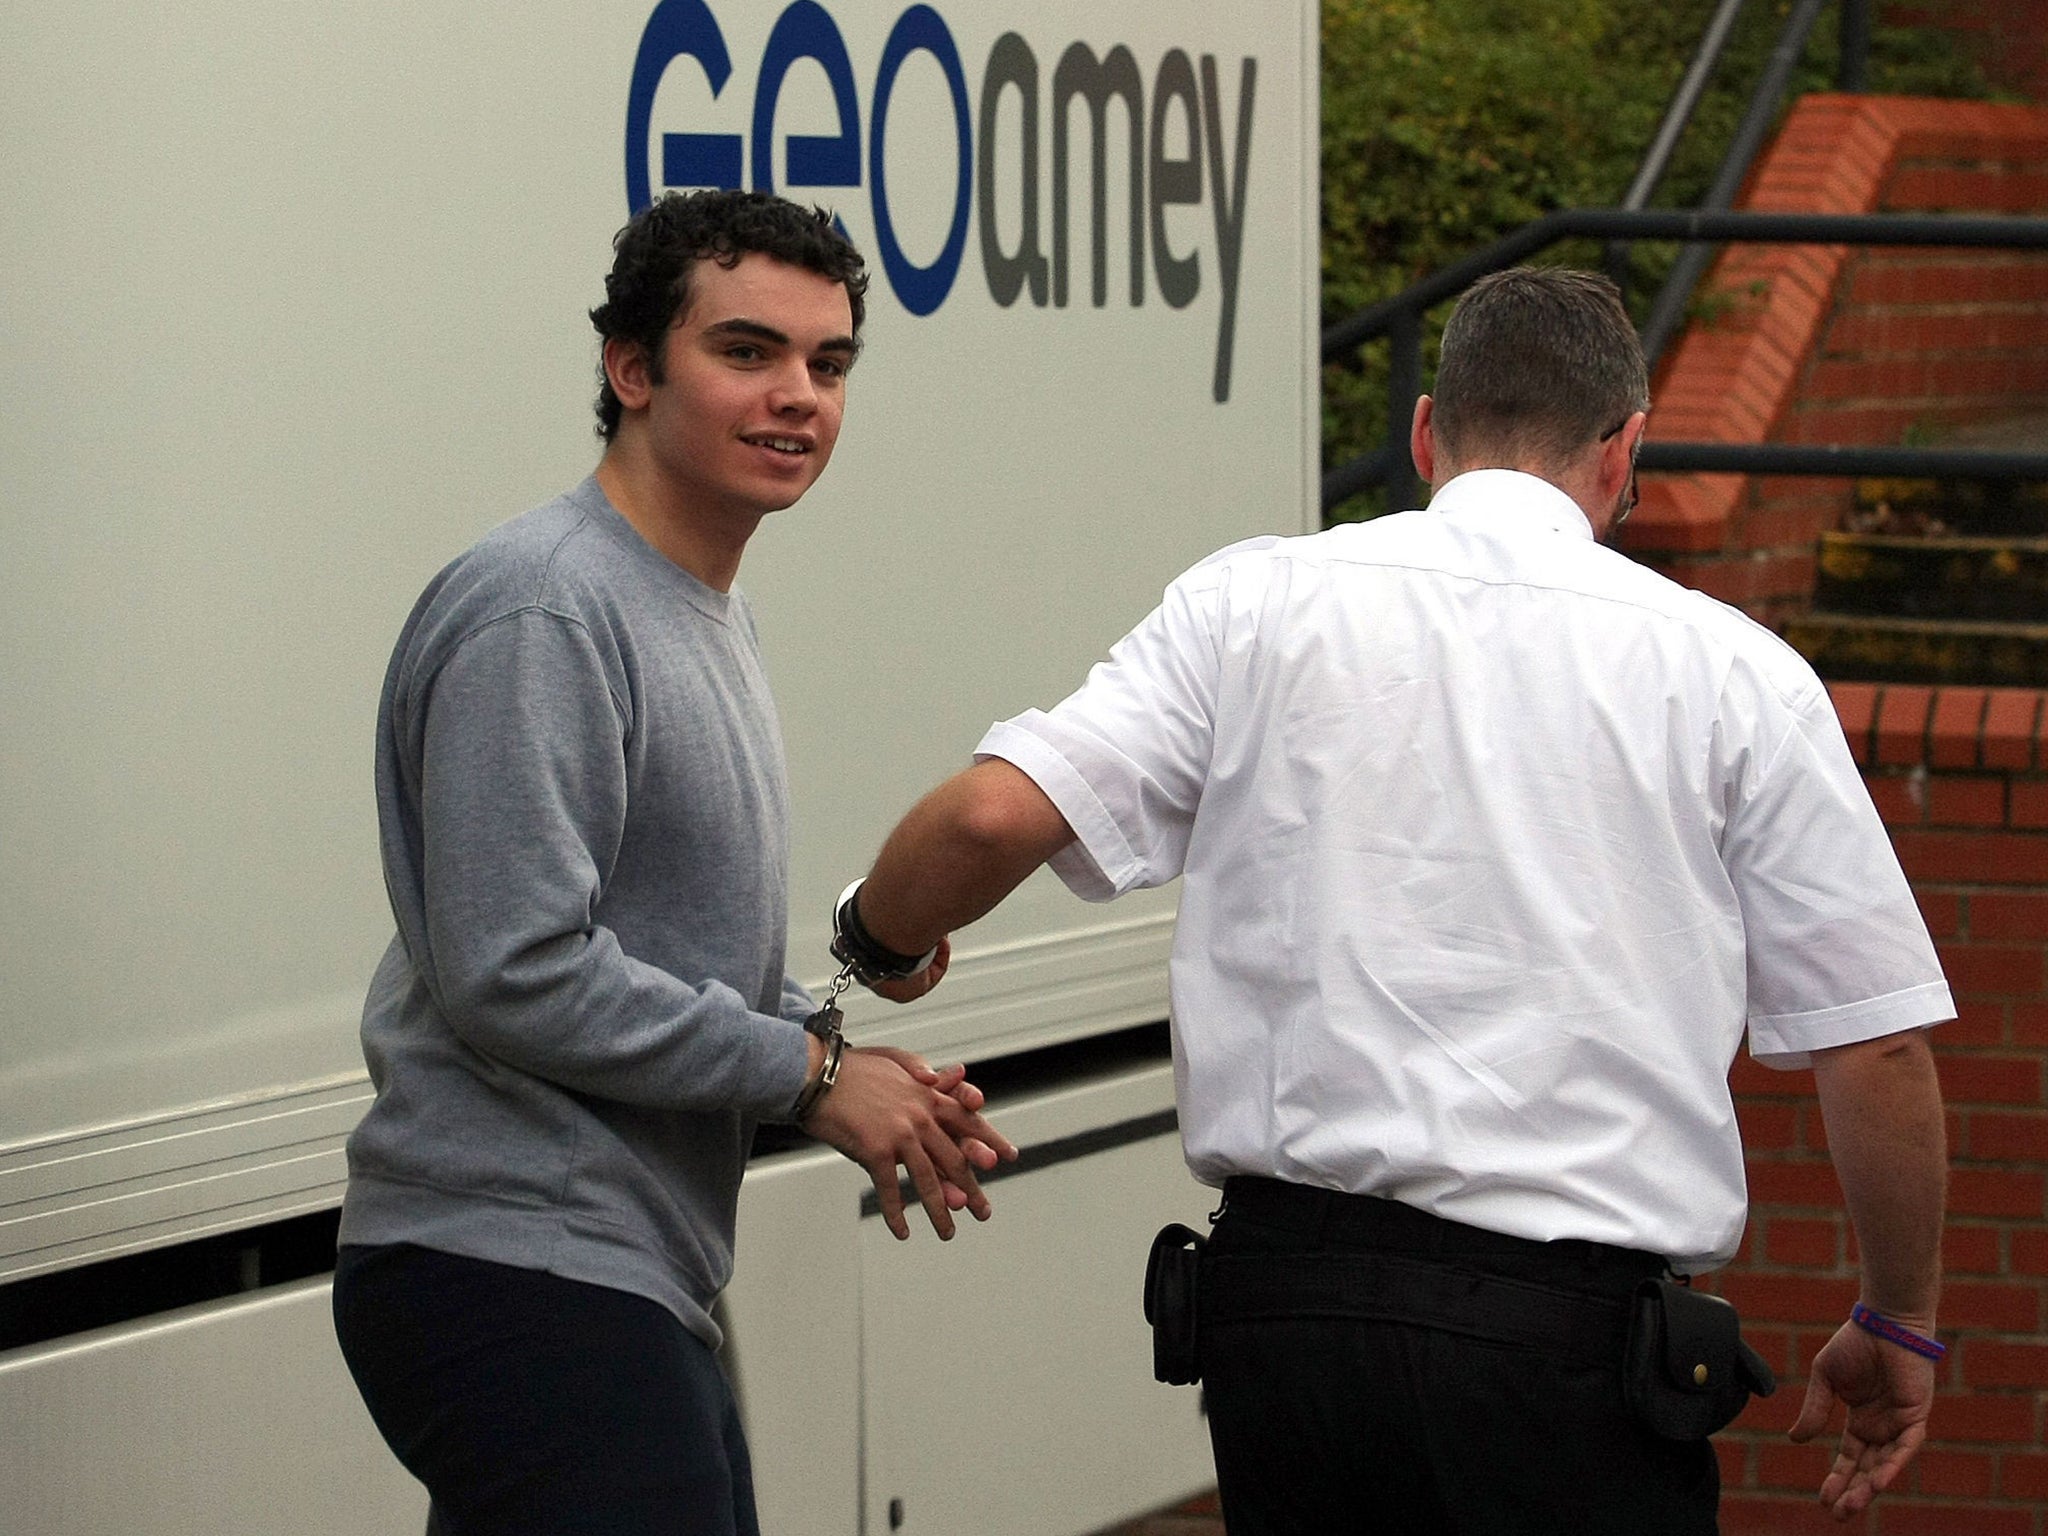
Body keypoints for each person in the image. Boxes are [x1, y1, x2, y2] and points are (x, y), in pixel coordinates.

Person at [825, 268, 1952, 1532]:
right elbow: (1879, 1038)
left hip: (1286, 1329)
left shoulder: (1250, 606)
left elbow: (990, 815)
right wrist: (1893, 1312)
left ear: (1424, 432)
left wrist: (876, 942)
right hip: (1565, 1354)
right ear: (1622, 450)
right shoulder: (1737, 676)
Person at [330, 188, 1014, 1536]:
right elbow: (516, 969)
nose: (799, 395)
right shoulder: (544, 606)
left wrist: (838, 1065)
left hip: (610, 1266)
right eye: (748, 352)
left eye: (829, 363)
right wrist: (810, 1071)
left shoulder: (701, 606)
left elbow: (654, 961)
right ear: (633, 370)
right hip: (510, 1257)